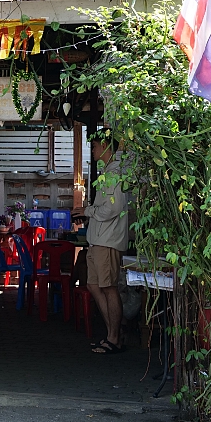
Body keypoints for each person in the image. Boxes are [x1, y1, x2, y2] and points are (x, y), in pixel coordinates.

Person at [77, 131, 129, 354]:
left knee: (108, 287)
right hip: (98, 239)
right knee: (94, 285)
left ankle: (114, 337)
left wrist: (88, 211)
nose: (94, 149)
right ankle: (112, 333)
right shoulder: (109, 170)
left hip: (108, 239)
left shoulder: (115, 171)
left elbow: (114, 208)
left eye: (96, 145)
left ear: (106, 145)